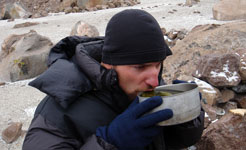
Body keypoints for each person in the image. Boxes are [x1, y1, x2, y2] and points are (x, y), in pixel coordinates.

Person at [22, 9, 204, 150]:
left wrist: (187, 118)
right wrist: (111, 143)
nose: (155, 81)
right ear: (108, 64)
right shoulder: (57, 111)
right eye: (140, 67)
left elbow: (173, 142)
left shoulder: (144, 88)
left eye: (157, 65)